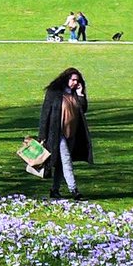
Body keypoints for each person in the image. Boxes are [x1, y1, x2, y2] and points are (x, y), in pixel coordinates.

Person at [37, 67, 93, 198]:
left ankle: (54, 190)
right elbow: (45, 113)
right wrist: (42, 135)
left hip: (71, 133)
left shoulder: (74, 93)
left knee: (62, 164)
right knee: (66, 160)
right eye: (73, 80)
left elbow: (83, 109)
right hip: (57, 134)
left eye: (77, 81)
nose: (75, 83)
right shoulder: (54, 92)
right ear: (66, 79)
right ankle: (74, 190)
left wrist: (80, 94)